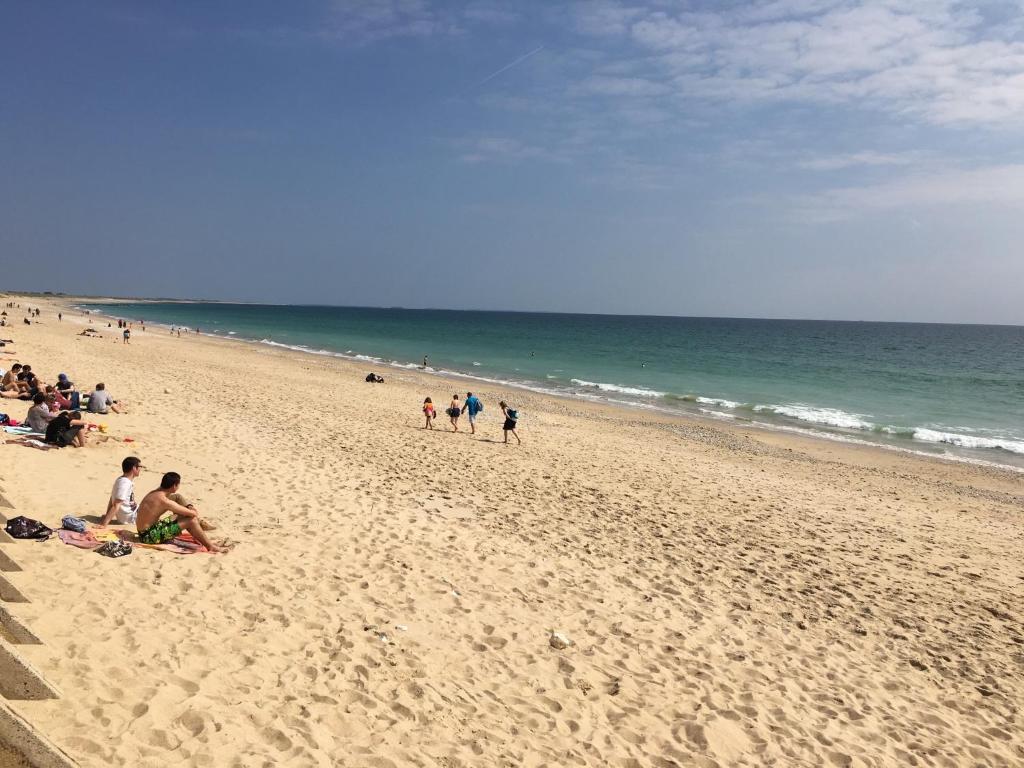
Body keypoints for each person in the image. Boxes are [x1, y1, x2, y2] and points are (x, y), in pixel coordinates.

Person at [135, 472, 226, 552]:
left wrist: (189, 506)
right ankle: (210, 547)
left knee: (178, 498)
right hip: (149, 537)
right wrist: (192, 510)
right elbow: (193, 514)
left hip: (146, 531)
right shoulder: (165, 501)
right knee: (192, 520)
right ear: (174, 486)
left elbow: (177, 498)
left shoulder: (155, 493)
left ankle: (201, 528)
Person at [100, 456, 143, 526]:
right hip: (132, 517)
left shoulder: (121, 480)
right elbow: (116, 504)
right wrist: (104, 523)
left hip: (134, 512)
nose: (140, 469)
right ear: (134, 468)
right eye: (140, 467)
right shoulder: (125, 484)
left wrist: (107, 515)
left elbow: (112, 499)